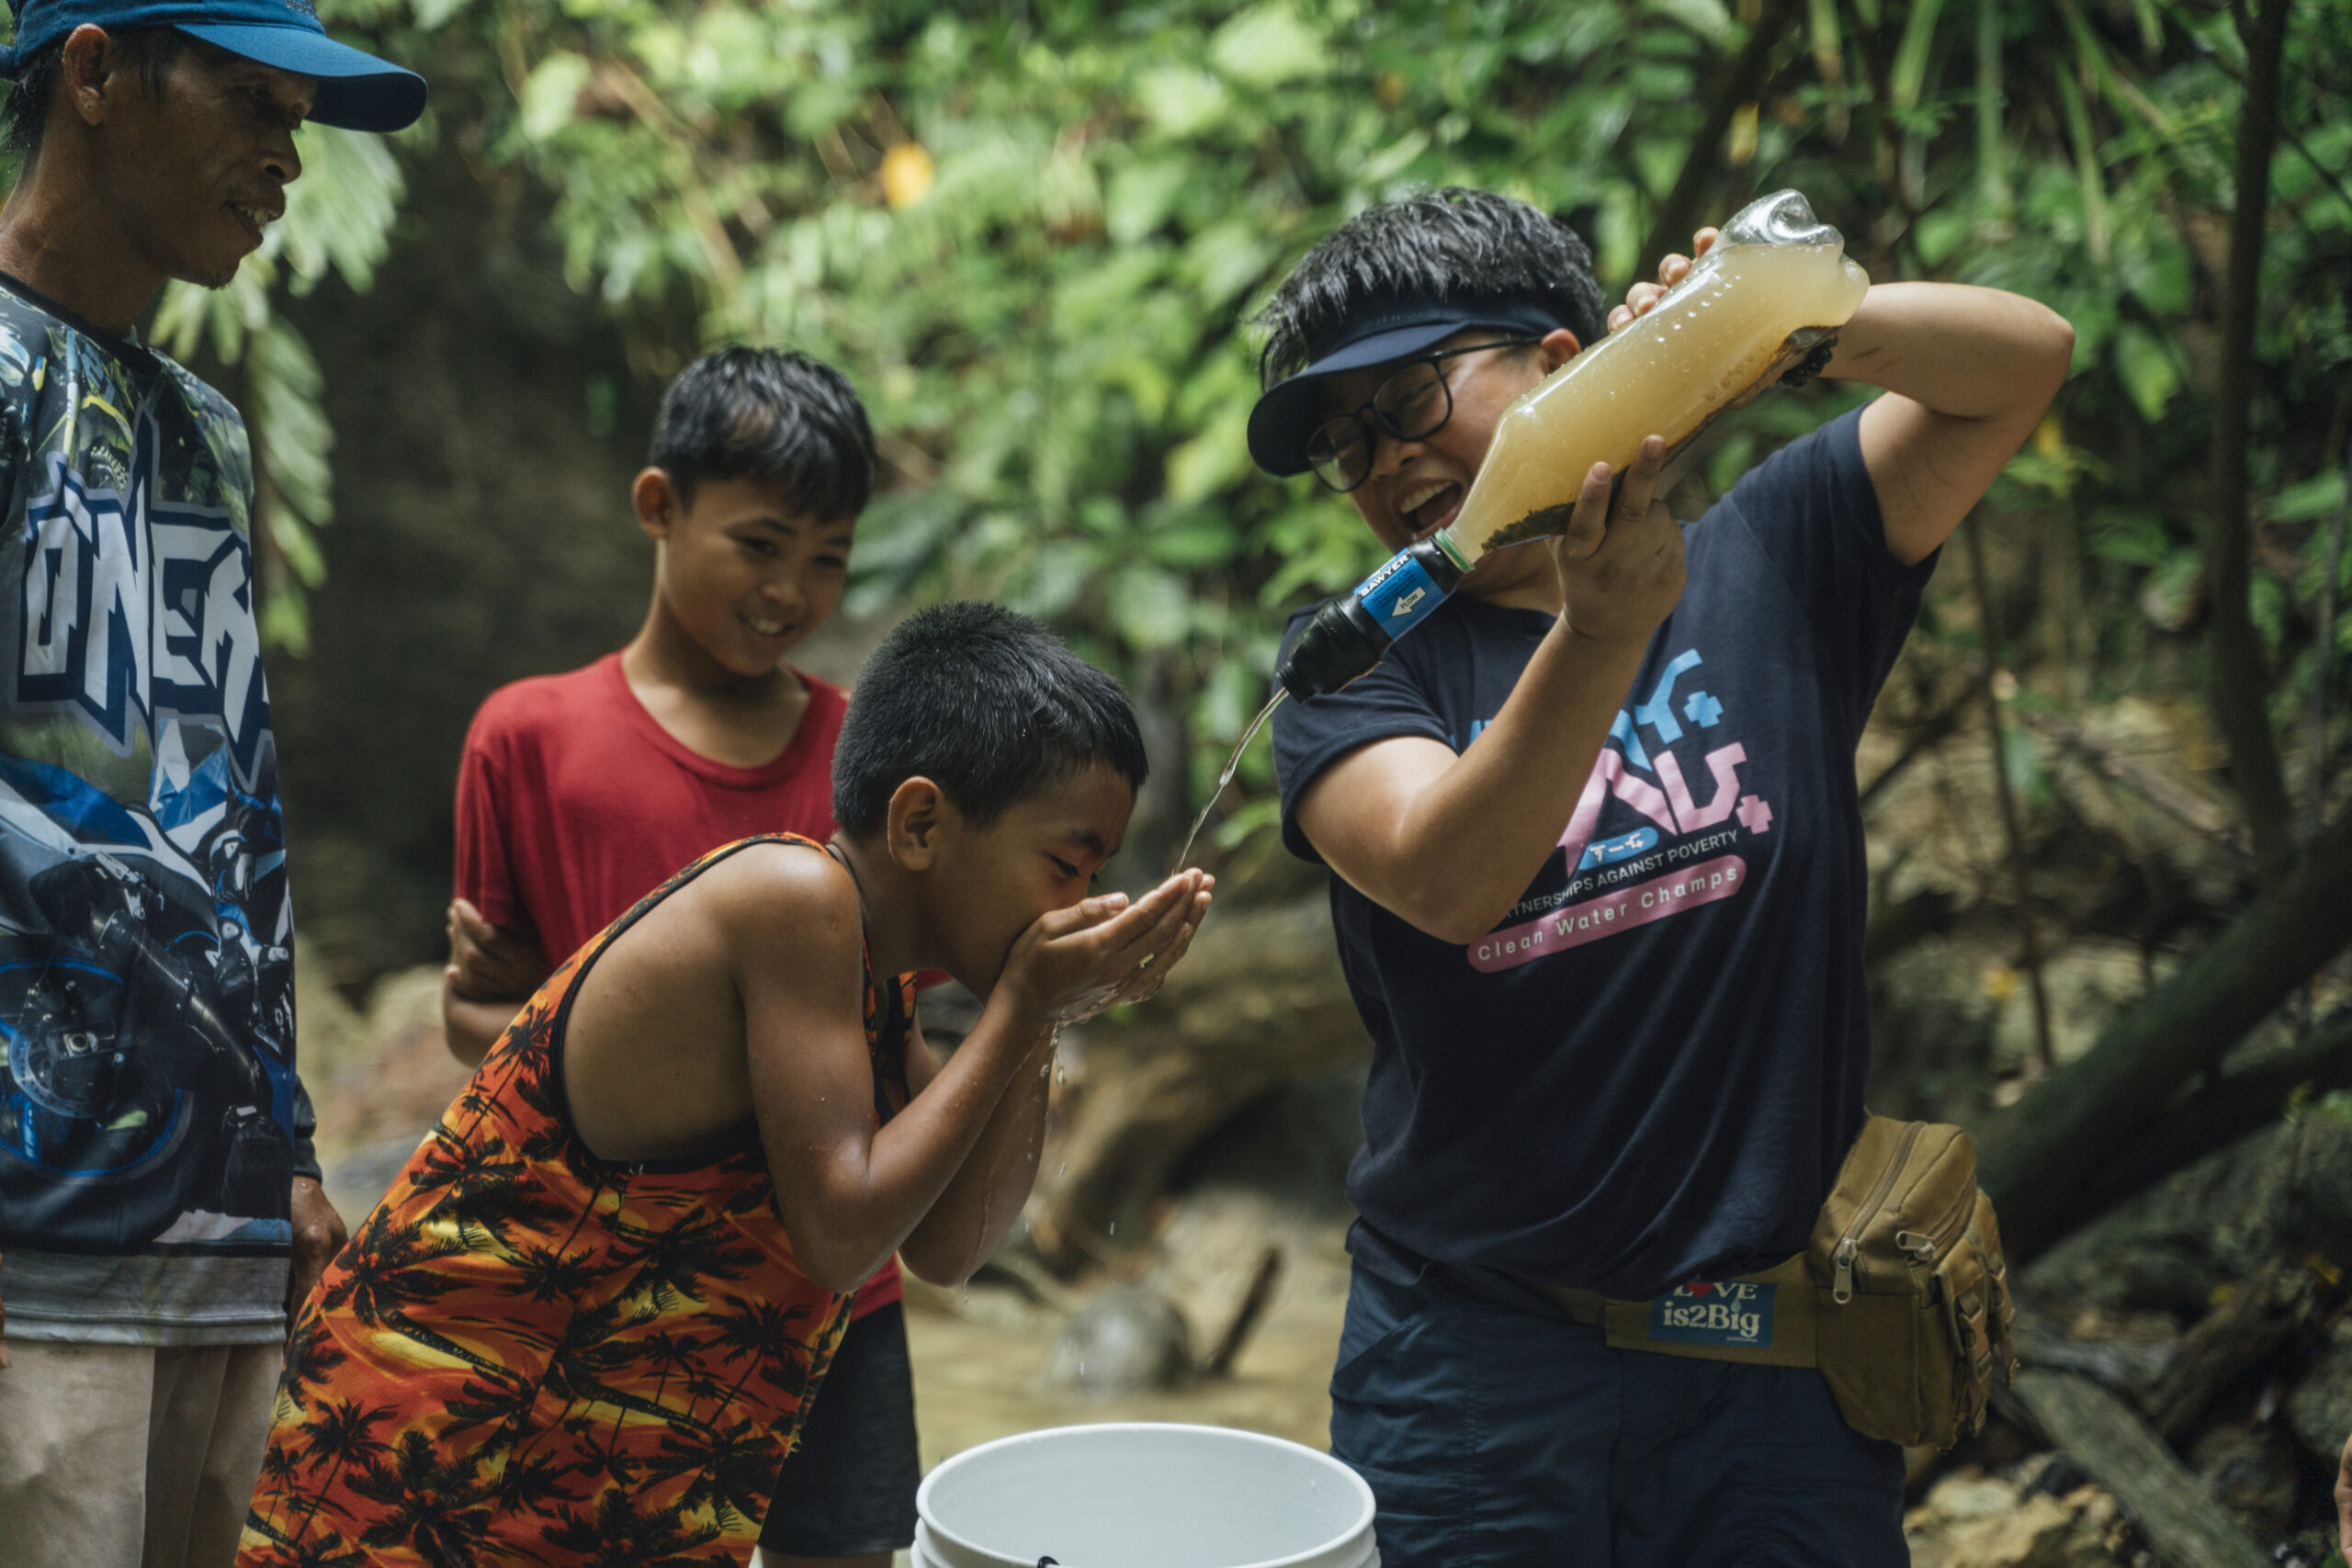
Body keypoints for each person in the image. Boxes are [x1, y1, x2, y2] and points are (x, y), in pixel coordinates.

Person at [1249, 187, 2072, 1565]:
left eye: (1406, 399)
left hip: (1777, 1358)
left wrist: (1781, 329)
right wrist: (1601, 630)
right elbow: (1449, 874)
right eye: (1345, 444)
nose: (1382, 463)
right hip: (1473, 1364)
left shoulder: (1778, 551)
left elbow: (2024, 359)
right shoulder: (1355, 669)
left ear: (1561, 361)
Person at [238, 602, 1213, 1567]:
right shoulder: (789, 900)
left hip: (564, 1503)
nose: (1079, 906)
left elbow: (951, 1245)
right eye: (1065, 865)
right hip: (422, 1476)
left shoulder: (878, 994)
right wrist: (1023, 1009)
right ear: (920, 824)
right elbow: (842, 1234)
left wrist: (1040, 1016)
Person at [0, 3, 424, 1564]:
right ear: (96, 72)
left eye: (301, 118)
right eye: (249, 100)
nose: (287, 157)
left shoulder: (202, 435)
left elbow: (231, 799)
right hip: (32, 1244)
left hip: (219, 1232)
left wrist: (292, 1148)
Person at [438, 343, 921, 1566]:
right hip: (608, 1285)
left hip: (833, 1296)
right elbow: (491, 1022)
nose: (790, 590)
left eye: (827, 560)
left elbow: (896, 1020)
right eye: (760, 544)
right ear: (660, 505)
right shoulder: (531, 737)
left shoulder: (861, 753)